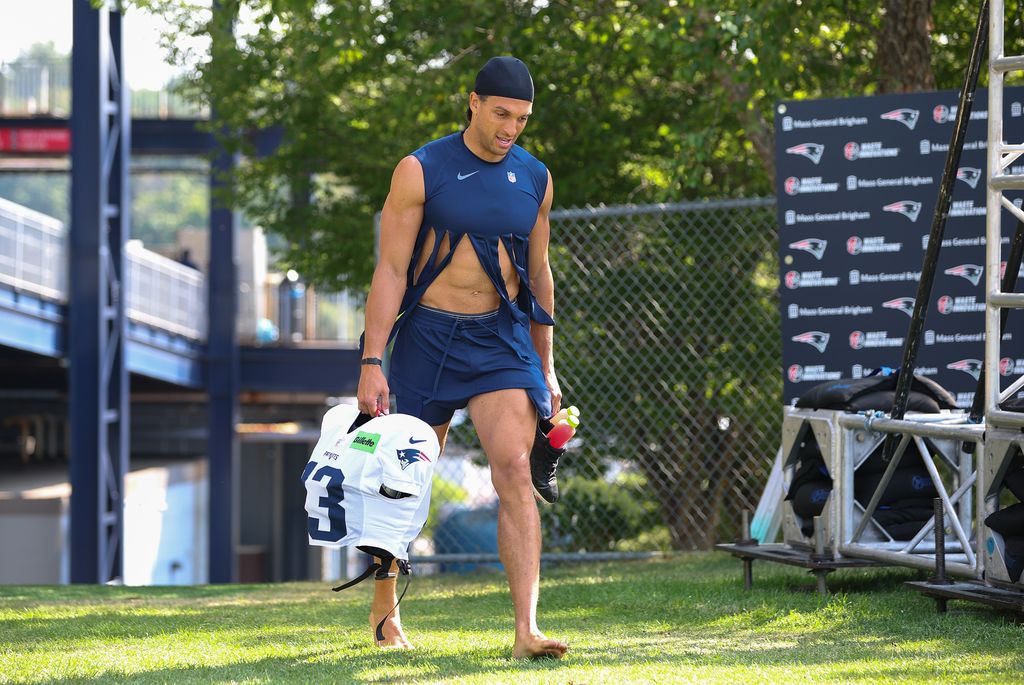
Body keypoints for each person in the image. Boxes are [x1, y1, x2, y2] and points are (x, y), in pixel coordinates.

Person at [356, 56, 568, 659]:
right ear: (472, 102)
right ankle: (384, 612)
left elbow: (539, 273)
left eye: (522, 119)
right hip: (427, 338)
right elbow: (392, 270)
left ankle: (526, 630)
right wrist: (372, 362)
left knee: (516, 472)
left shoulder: (535, 177)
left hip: (499, 339)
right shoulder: (421, 169)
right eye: (502, 114)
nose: (511, 129)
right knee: (404, 480)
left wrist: (546, 363)